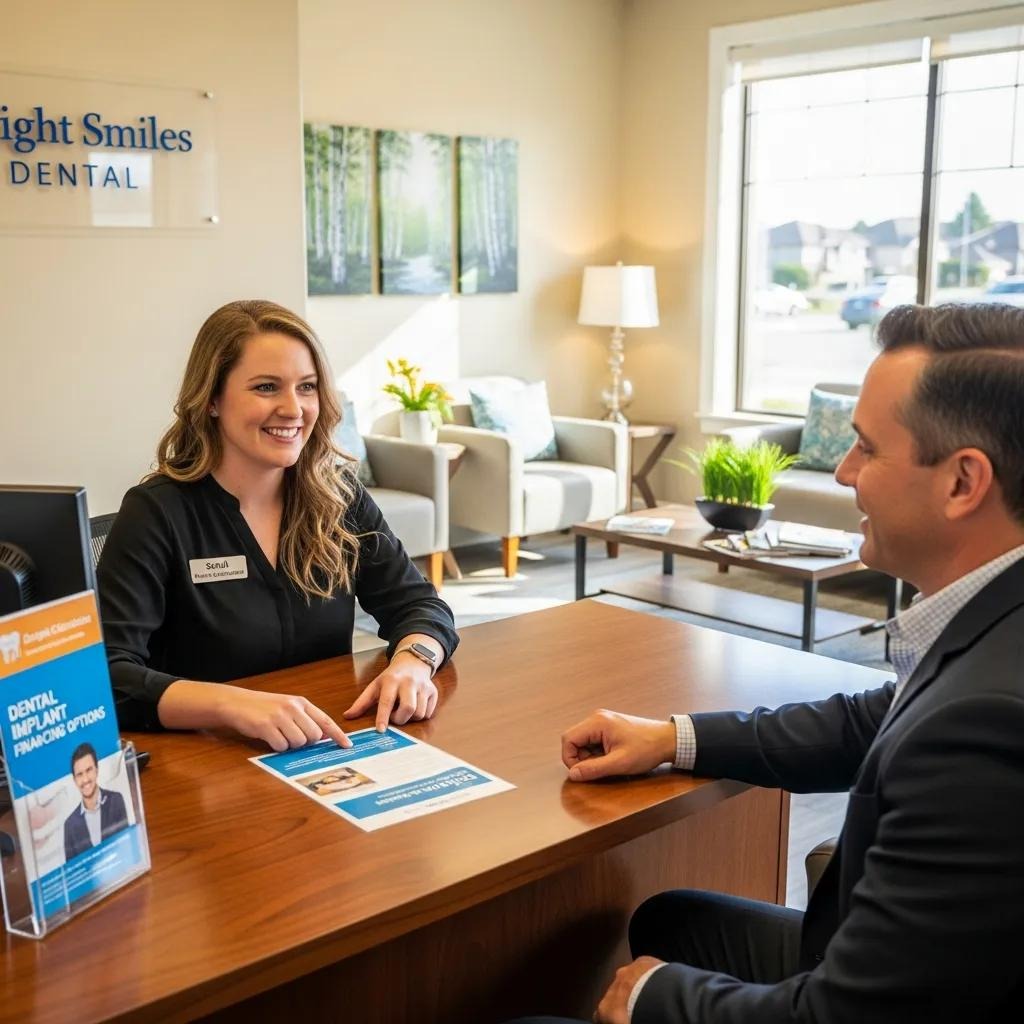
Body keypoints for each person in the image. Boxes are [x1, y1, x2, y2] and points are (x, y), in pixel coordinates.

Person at [519, 302, 1024, 1023]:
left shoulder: (987, 723)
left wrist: (652, 997)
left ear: (963, 482)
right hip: (912, 962)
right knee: (672, 920)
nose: (844, 472)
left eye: (867, 449)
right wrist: (670, 738)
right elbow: (873, 723)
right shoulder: (993, 630)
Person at [98, 300, 458, 751]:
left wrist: (413, 661)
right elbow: (109, 676)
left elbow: (419, 604)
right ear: (211, 399)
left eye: (307, 387)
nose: (293, 408)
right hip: (208, 758)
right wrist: (228, 703)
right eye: (267, 387)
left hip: (324, 742)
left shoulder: (338, 496)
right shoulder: (156, 512)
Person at [63, 743, 129, 861]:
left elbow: (127, 846)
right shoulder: (69, 825)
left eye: (89, 770)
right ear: (74, 780)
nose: (85, 779)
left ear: (97, 770)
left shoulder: (116, 800)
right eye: (79, 774)